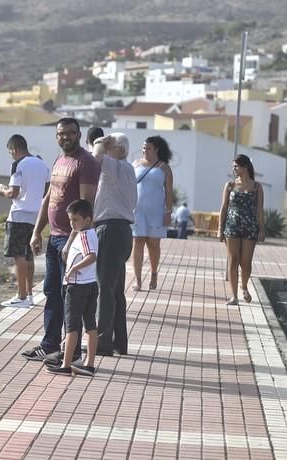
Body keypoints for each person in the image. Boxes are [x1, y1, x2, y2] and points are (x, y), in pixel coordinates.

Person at [21, 118, 100, 365]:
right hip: (55, 237)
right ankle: (49, 345)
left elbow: (86, 207)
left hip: (72, 241)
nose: (65, 137)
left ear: (79, 134)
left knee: (71, 298)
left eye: (70, 133)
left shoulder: (85, 162)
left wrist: (71, 242)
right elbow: (48, 199)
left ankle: (72, 352)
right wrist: (36, 232)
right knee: (52, 292)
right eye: (61, 134)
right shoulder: (59, 160)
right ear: (56, 136)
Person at [91, 132, 137, 356]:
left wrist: (100, 141)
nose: (106, 147)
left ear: (119, 150)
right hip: (124, 231)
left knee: (104, 289)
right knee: (116, 290)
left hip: (109, 229)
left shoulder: (114, 167)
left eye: (111, 145)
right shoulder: (128, 170)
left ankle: (102, 341)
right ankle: (120, 341)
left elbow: (95, 158)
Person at [46, 199, 99, 377]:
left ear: (87, 219)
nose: (72, 223)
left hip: (77, 286)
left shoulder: (83, 235)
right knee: (90, 325)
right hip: (90, 284)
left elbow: (91, 256)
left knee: (72, 327)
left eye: (76, 219)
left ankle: (66, 364)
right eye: (70, 220)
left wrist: (73, 269)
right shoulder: (92, 233)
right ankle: (89, 364)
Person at [0, 134, 51, 308]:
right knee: (29, 255)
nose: (11, 155)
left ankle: (20, 297)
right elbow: (46, 191)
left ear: (14, 149)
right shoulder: (43, 165)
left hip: (19, 215)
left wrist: (3, 191)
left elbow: (13, 193)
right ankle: (29, 294)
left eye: (10, 151)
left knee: (18, 255)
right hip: (36, 216)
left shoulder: (18, 165)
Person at [217, 154, 265, 305]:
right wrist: (220, 228)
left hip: (250, 227)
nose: (234, 169)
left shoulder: (257, 187)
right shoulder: (230, 185)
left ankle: (243, 286)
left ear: (245, 167)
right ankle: (234, 296)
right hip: (232, 226)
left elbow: (259, 210)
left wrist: (262, 230)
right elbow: (224, 208)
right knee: (233, 261)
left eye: (236, 166)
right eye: (233, 167)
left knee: (246, 263)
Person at [131, 135, 174, 291]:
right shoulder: (135, 164)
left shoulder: (164, 167)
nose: (144, 150)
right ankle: (137, 279)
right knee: (137, 243)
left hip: (156, 212)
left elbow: (169, 192)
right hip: (137, 210)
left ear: (156, 149)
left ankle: (154, 273)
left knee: (153, 245)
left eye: (148, 148)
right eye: (143, 148)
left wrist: (168, 211)